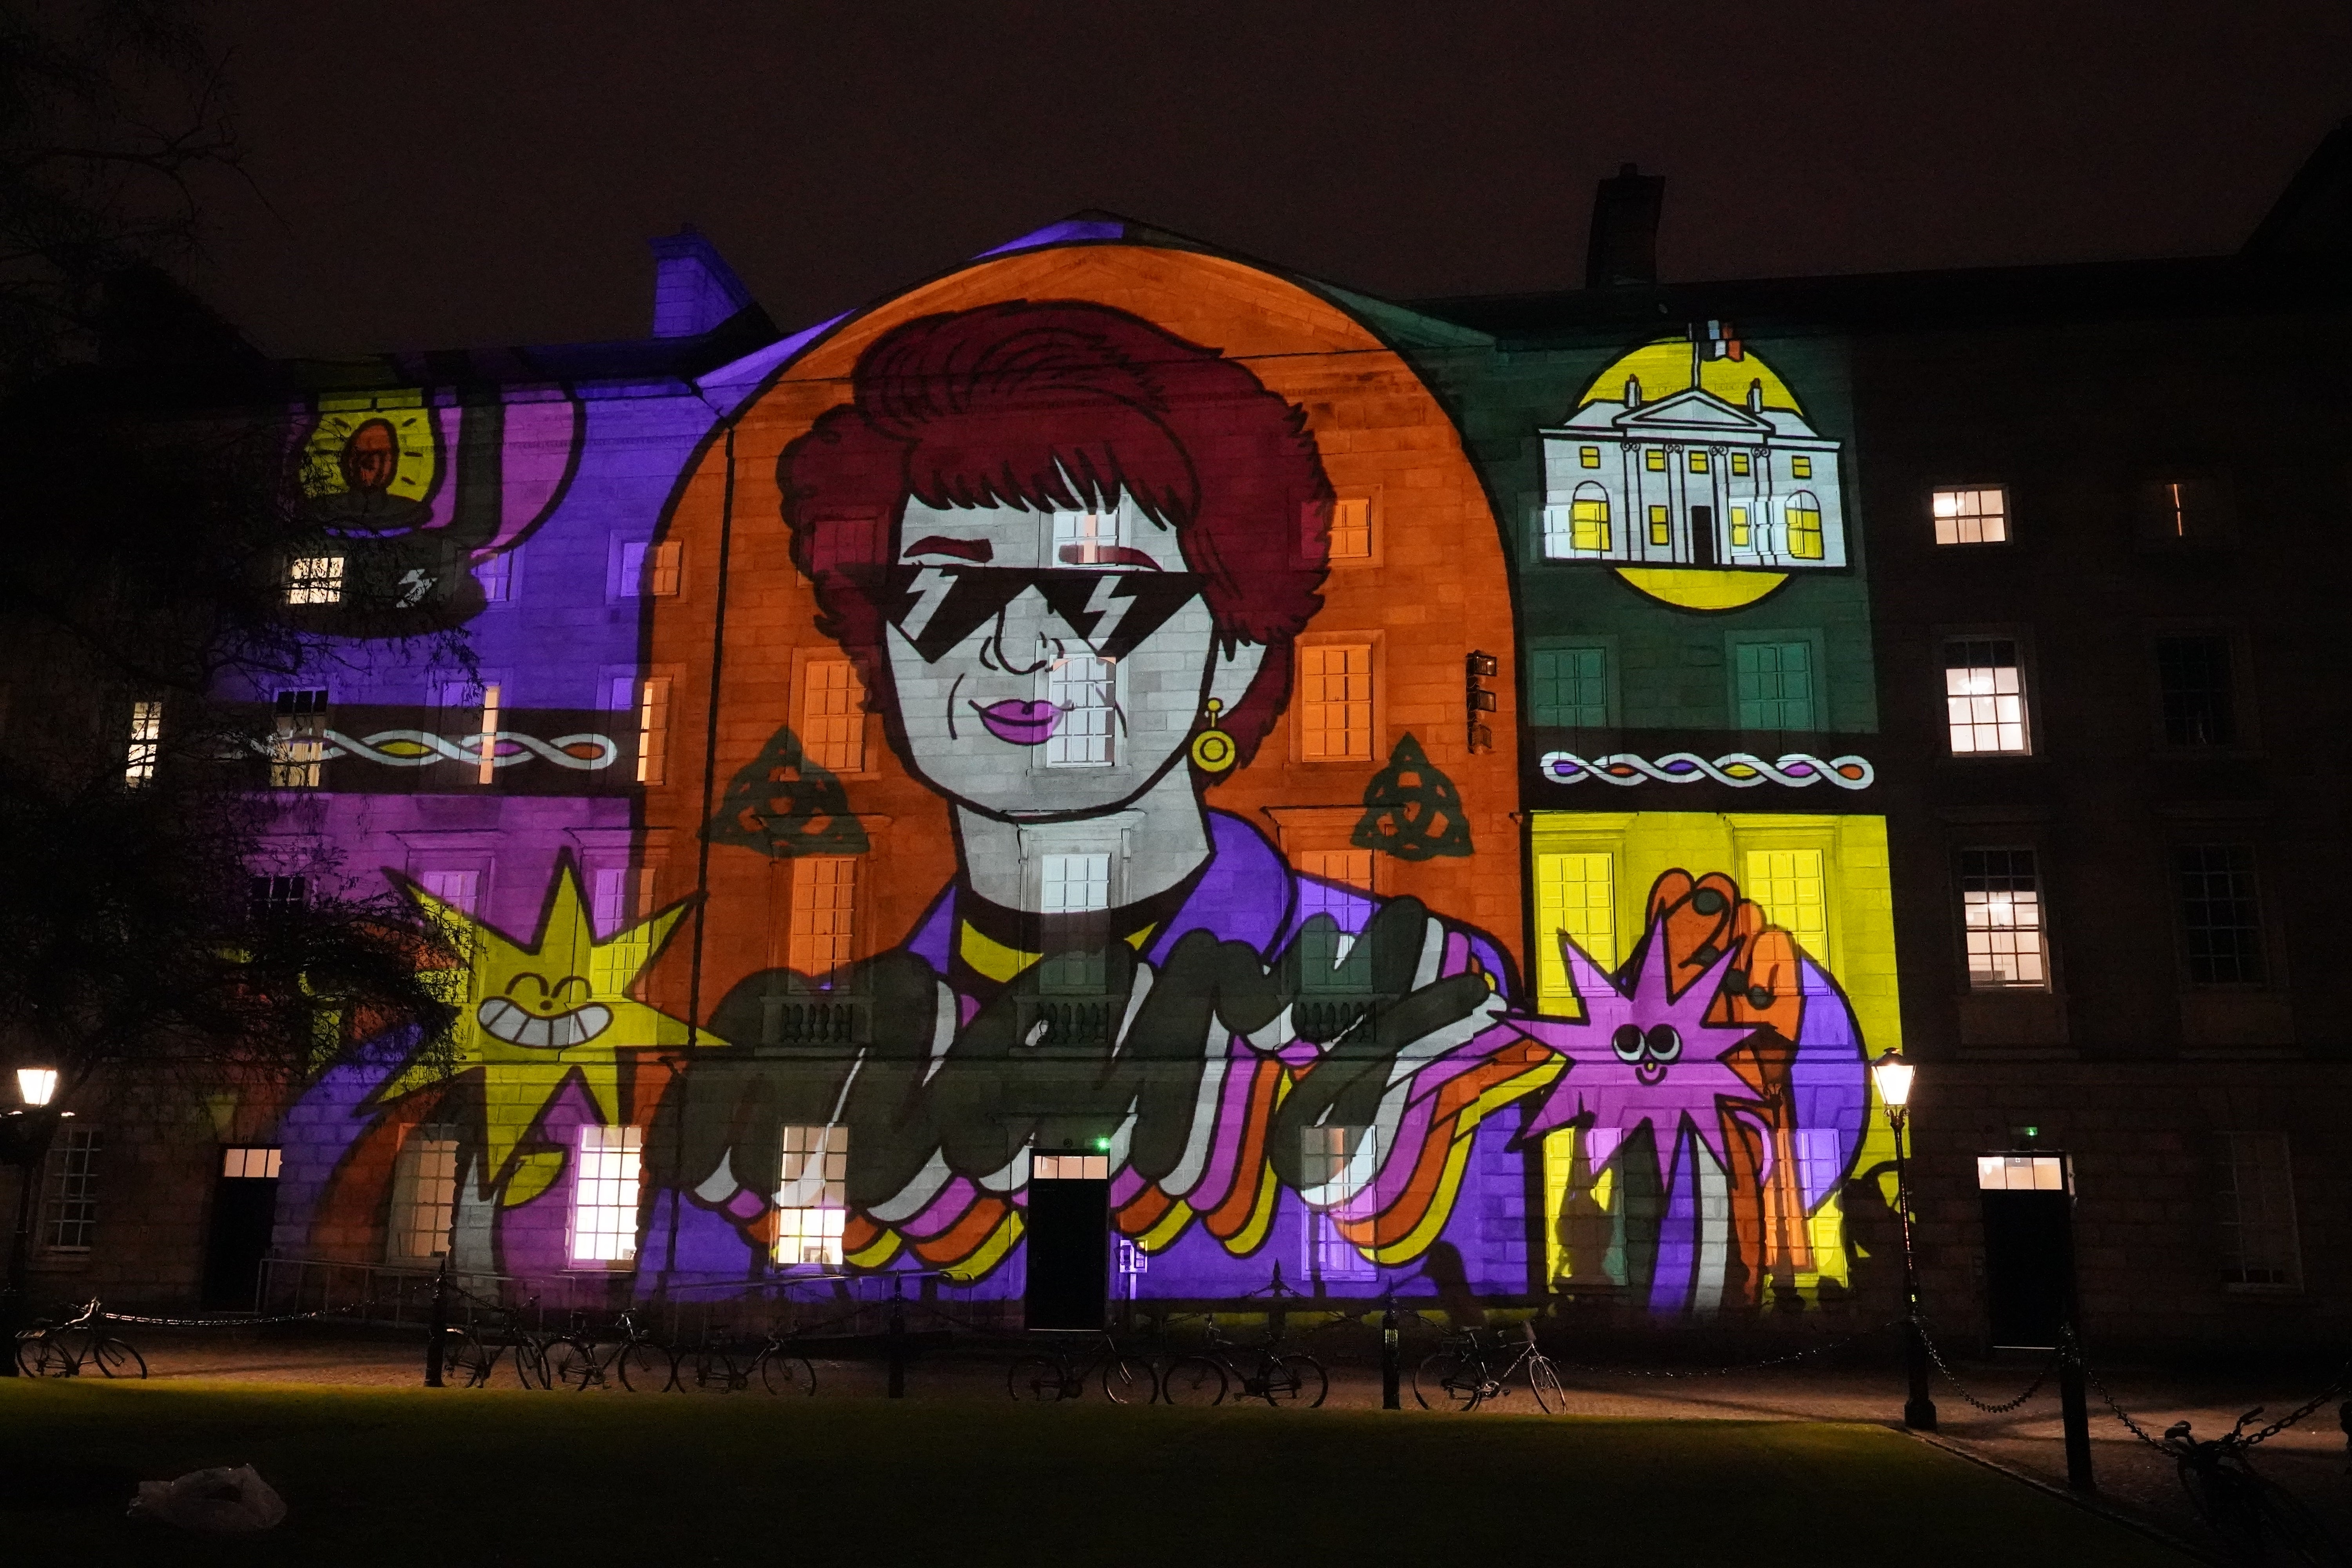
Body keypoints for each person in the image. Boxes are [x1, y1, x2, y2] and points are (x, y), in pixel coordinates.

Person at [650, 301, 1536, 1289]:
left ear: (1235, 654)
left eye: (1105, 586)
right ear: (881, 646)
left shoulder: (1419, 989)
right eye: (948, 585)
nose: (1020, 649)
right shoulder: (850, 1029)